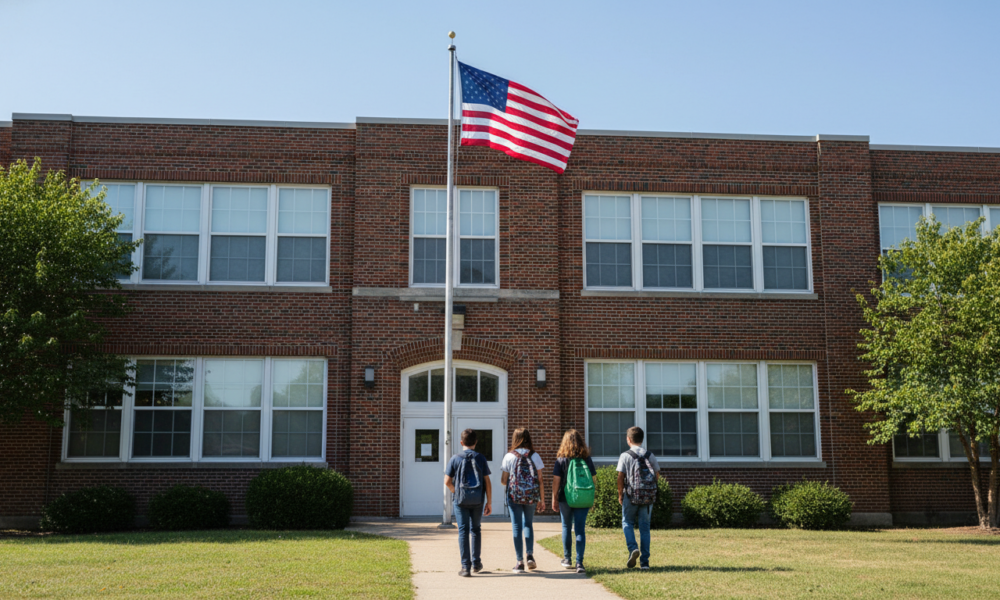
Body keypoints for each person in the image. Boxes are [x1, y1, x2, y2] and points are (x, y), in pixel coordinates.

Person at [444, 428, 492, 577]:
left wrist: (456, 492)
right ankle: (476, 563)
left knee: (463, 531)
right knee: (476, 530)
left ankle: (465, 567)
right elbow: (487, 481)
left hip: (461, 500)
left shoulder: (455, 458)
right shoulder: (480, 458)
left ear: (461, 442)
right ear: (476, 442)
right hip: (478, 500)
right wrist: (489, 502)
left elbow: (447, 481)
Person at [500, 428, 546, 573]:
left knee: (516, 526)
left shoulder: (509, 456)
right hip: (531, 496)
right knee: (528, 524)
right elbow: (540, 479)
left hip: (514, 496)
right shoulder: (535, 456)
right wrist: (541, 499)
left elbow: (503, 480)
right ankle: (530, 556)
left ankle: (519, 562)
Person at [551, 429, 597, 574]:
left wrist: (554, 498)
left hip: (565, 498)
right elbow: (593, 479)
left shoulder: (561, 460)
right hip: (582, 497)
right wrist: (590, 497)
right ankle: (579, 563)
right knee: (580, 529)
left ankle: (567, 559)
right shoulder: (586, 459)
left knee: (566, 526)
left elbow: (556, 481)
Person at [616, 426, 660, 570]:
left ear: (628, 439)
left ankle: (633, 548)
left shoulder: (625, 455)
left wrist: (620, 494)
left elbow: (620, 476)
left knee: (627, 522)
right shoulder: (650, 455)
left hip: (631, 495)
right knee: (645, 528)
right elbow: (657, 474)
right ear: (642, 439)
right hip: (647, 497)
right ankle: (645, 562)